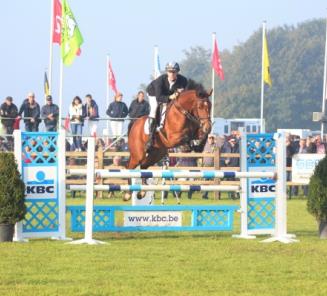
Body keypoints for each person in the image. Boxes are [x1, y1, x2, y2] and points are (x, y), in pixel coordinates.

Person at [145, 61, 188, 150]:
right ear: (167, 72)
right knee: (154, 110)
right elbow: (159, 98)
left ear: (177, 72)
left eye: (174, 72)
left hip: (169, 95)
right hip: (154, 94)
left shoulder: (183, 80)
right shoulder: (160, 81)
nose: (172, 74)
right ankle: (150, 138)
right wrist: (171, 97)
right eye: (169, 71)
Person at [202, 134, 218, 199]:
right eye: (209, 138)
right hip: (206, 165)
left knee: (216, 180)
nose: (211, 139)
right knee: (206, 180)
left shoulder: (215, 145)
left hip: (213, 165)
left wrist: (211, 153)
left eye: (212, 138)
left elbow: (217, 152)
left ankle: (216, 195)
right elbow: (201, 152)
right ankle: (205, 194)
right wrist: (205, 153)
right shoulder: (204, 145)